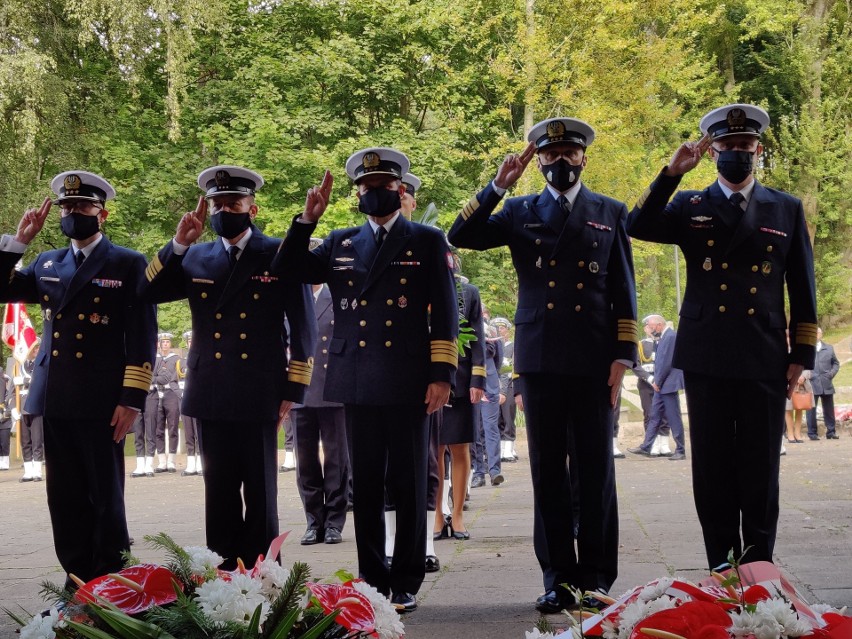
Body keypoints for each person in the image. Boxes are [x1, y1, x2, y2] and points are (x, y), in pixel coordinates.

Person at [448, 118, 638, 612]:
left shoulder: (609, 212)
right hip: (540, 359)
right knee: (548, 470)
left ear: (583, 158)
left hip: (595, 359)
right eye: (549, 156)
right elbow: (460, 234)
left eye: (567, 154)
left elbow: (624, 289)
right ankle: (558, 577)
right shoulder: (517, 210)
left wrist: (623, 356)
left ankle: (596, 576)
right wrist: (497, 185)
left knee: (595, 470)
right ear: (540, 163)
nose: (558, 162)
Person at [626, 104, 818, 570]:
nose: (737, 153)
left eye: (744, 146)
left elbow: (803, 285)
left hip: (764, 353)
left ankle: (758, 568)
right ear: (712, 151)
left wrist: (803, 353)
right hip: (707, 352)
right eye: (727, 146)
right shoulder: (691, 204)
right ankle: (720, 567)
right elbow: (637, 225)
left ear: (758, 149)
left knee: (759, 468)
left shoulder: (785, 207)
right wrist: (670, 174)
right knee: (711, 468)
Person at [273, 148, 458, 613]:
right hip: (356, 378)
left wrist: (442, 374)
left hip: (410, 378)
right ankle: (372, 577)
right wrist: (306, 220)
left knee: (410, 482)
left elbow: (447, 313)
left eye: (382, 186)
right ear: (357, 193)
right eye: (365, 187)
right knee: (366, 485)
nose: (373, 193)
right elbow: (285, 269)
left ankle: (407, 578)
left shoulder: (427, 240)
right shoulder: (340, 241)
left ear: (400, 190)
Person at [139, 165, 316, 569]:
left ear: (252, 208)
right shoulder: (195, 255)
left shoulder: (277, 252)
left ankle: (263, 574)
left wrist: (294, 389)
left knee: (260, 491)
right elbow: (146, 291)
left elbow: (304, 326)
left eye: (232, 203)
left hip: (260, 389)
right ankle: (221, 575)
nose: (223, 210)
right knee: (217, 490)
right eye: (217, 203)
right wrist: (178, 244)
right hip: (211, 388)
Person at [0, 171, 157, 588]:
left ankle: (114, 583)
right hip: (55, 397)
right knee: (65, 499)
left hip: (104, 401)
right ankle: (77, 583)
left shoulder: (127, 262)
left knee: (105, 498)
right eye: (67, 208)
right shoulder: (48, 261)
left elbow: (142, 335)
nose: (73, 213)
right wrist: (19, 243)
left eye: (82, 207)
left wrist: (133, 398)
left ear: (101, 214)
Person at [294, 282, 350, 546]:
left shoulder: (338, 294)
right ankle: (313, 521)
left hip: (332, 388)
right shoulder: (293, 293)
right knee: (305, 461)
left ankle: (334, 522)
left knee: (336, 459)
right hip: (299, 388)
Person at [435, 271, 486, 540]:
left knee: (459, 447)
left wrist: (478, 378)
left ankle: (457, 515)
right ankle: (436, 514)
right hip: (428, 378)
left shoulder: (469, 293)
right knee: (435, 449)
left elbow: (477, 335)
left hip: (462, 378)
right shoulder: (418, 284)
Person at [627, 315, 686, 460]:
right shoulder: (662, 337)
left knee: (673, 418)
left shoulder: (670, 337)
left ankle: (680, 449)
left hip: (668, 385)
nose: (650, 330)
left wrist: (657, 383)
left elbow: (666, 363)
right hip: (661, 385)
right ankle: (646, 446)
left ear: (659, 324)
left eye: (651, 326)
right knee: (654, 416)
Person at [633, 317, 672, 456]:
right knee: (649, 413)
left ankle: (664, 443)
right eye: (648, 327)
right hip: (646, 384)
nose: (650, 329)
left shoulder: (665, 342)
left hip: (663, 383)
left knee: (665, 414)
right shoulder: (641, 345)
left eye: (652, 327)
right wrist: (650, 378)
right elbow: (635, 365)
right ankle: (653, 443)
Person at [15, 341, 46, 481]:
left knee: (37, 440)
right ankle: (28, 471)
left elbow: (41, 382)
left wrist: (25, 381)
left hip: (35, 407)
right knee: (25, 440)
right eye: (33, 347)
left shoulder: (40, 365)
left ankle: (37, 471)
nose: (36, 349)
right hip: (22, 409)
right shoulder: (19, 367)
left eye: (37, 347)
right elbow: (11, 393)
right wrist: (12, 408)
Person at [130, 339, 161, 478]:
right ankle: (140, 463)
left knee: (150, 430)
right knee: (138, 431)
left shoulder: (160, 360)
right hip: (137, 395)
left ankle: (149, 463)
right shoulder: (135, 356)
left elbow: (165, 376)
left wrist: (149, 380)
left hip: (151, 396)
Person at [805, 328, 840, 440]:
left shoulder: (829, 348)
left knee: (829, 409)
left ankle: (831, 431)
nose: (815, 335)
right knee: (811, 410)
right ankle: (812, 433)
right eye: (813, 333)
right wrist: (809, 375)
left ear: (821, 334)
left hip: (826, 382)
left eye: (817, 333)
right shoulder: (808, 348)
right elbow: (803, 364)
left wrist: (831, 374)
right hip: (812, 383)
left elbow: (836, 363)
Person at [154, 332, 181, 473]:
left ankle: (171, 460)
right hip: (156, 393)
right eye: (162, 342)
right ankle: (161, 462)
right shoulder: (154, 359)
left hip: (171, 393)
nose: (165, 344)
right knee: (158, 428)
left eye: (167, 342)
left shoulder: (176, 359)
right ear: (158, 344)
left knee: (172, 427)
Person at [177, 330, 202, 476]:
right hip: (185, 399)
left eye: (193, 340)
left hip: (198, 399)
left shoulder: (202, 358)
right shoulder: (181, 361)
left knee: (199, 432)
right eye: (189, 341)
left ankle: (201, 463)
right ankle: (191, 463)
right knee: (189, 432)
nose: (191, 343)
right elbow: (175, 380)